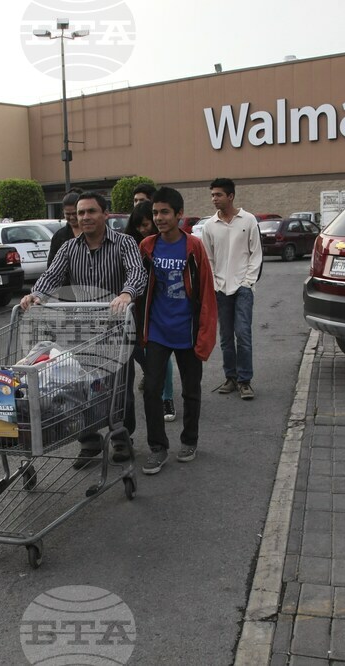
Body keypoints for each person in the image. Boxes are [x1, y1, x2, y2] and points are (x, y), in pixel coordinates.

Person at [21, 192, 147, 468]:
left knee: (118, 388)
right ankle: (88, 441)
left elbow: (137, 273)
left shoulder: (124, 244)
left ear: (105, 214)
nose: (85, 217)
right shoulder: (69, 248)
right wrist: (36, 295)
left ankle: (120, 438)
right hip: (81, 330)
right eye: (81, 213)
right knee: (80, 386)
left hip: (116, 329)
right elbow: (52, 275)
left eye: (91, 211)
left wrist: (127, 293)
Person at [137, 187, 217, 474]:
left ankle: (190, 440)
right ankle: (158, 448)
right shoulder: (147, 246)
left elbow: (207, 293)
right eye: (155, 212)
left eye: (164, 212)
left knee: (191, 391)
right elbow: (139, 287)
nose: (159, 218)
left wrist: (206, 335)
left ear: (179, 214)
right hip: (157, 331)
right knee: (152, 391)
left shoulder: (193, 247)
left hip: (188, 332)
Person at [199, 178, 262, 400]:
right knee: (226, 336)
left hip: (243, 288)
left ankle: (245, 381)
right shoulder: (209, 226)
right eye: (212, 195)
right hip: (220, 289)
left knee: (243, 334)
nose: (214, 199)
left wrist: (248, 282)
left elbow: (256, 254)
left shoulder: (249, 220)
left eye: (218, 195)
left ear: (231, 196)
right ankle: (231, 378)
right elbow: (208, 258)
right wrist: (216, 284)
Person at [123, 202, 177, 422]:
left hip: (159, 305)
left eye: (146, 224)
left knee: (161, 352)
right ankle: (152, 376)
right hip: (136, 305)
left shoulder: (162, 244)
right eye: (138, 226)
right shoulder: (129, 243)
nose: (143, 229)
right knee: (136, 349)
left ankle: (167, 397)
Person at [47, 188, 82, 268]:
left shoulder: (92, 232)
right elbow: (51, 266)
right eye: (68, 214)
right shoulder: (59, 236)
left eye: (74, 213)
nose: (72, 217)